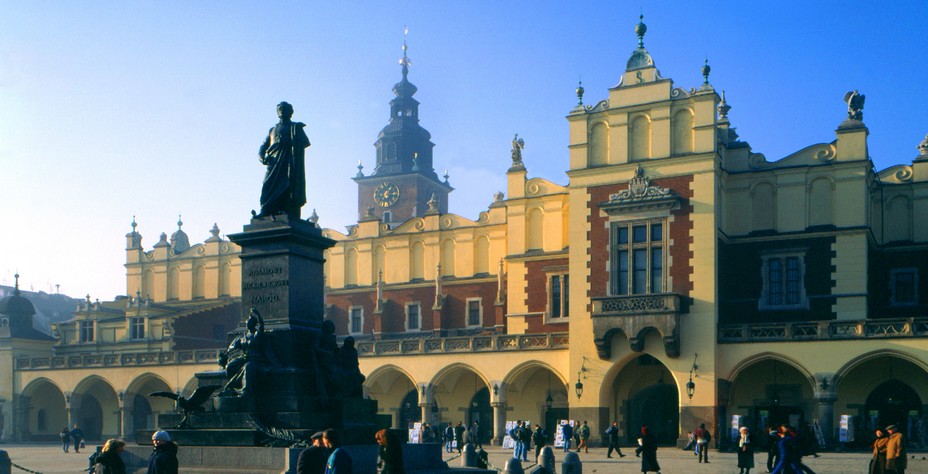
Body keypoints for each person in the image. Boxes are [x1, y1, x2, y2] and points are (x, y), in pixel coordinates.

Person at [256, 101, 310, 220]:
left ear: (290, 112)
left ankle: (287, 209)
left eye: (284, 108)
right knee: (267, 185)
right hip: (273, 162)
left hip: (289, 162)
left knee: (287, 185)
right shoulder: (272, 129)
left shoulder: (295, 127)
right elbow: (263, 145)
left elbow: (304, 143)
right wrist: (261, 156)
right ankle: (265, 210)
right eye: (279, 109)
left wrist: (292, 142)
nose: (281, 110)